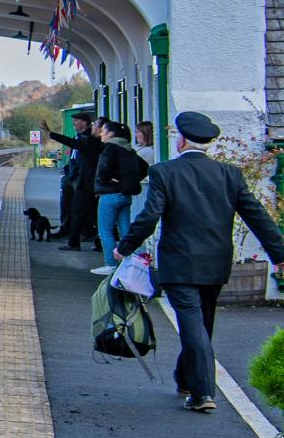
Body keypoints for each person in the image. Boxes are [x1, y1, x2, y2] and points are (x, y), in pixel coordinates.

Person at [117, 111, 284, 414]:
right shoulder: (229, 174)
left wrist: (124, 247)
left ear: (180, 140)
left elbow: (150, 216)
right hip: (216, 264)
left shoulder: (164, 172)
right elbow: (257, 216)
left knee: (194, 327)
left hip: (179, 263)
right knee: (201, 325)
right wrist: (280, 256)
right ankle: (186, 379)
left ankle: (203, 392)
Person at [89, 118, 145, 275]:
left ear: (111, 134)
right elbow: (144, 167)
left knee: (105, 231)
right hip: (125, 195)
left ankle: (110, 264)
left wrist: (105, 180)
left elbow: (104, 169)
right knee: (126, 230)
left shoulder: (109, 148)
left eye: (104, 131)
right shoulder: (128, 149)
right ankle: (129, 262)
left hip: (110, 195)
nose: (101, 133)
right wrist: (128, 181)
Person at [45, 111, 103, 251]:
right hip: (75, 176)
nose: (74, 124)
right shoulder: (82, 136)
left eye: (76, 121)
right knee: (72, 206)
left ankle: (77, 240)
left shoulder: (91, 139)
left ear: (84, 122)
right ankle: (73, 233)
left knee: (80, 210)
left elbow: (75, 145)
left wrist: (52, 135)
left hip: (84, 180)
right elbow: (75, 152)